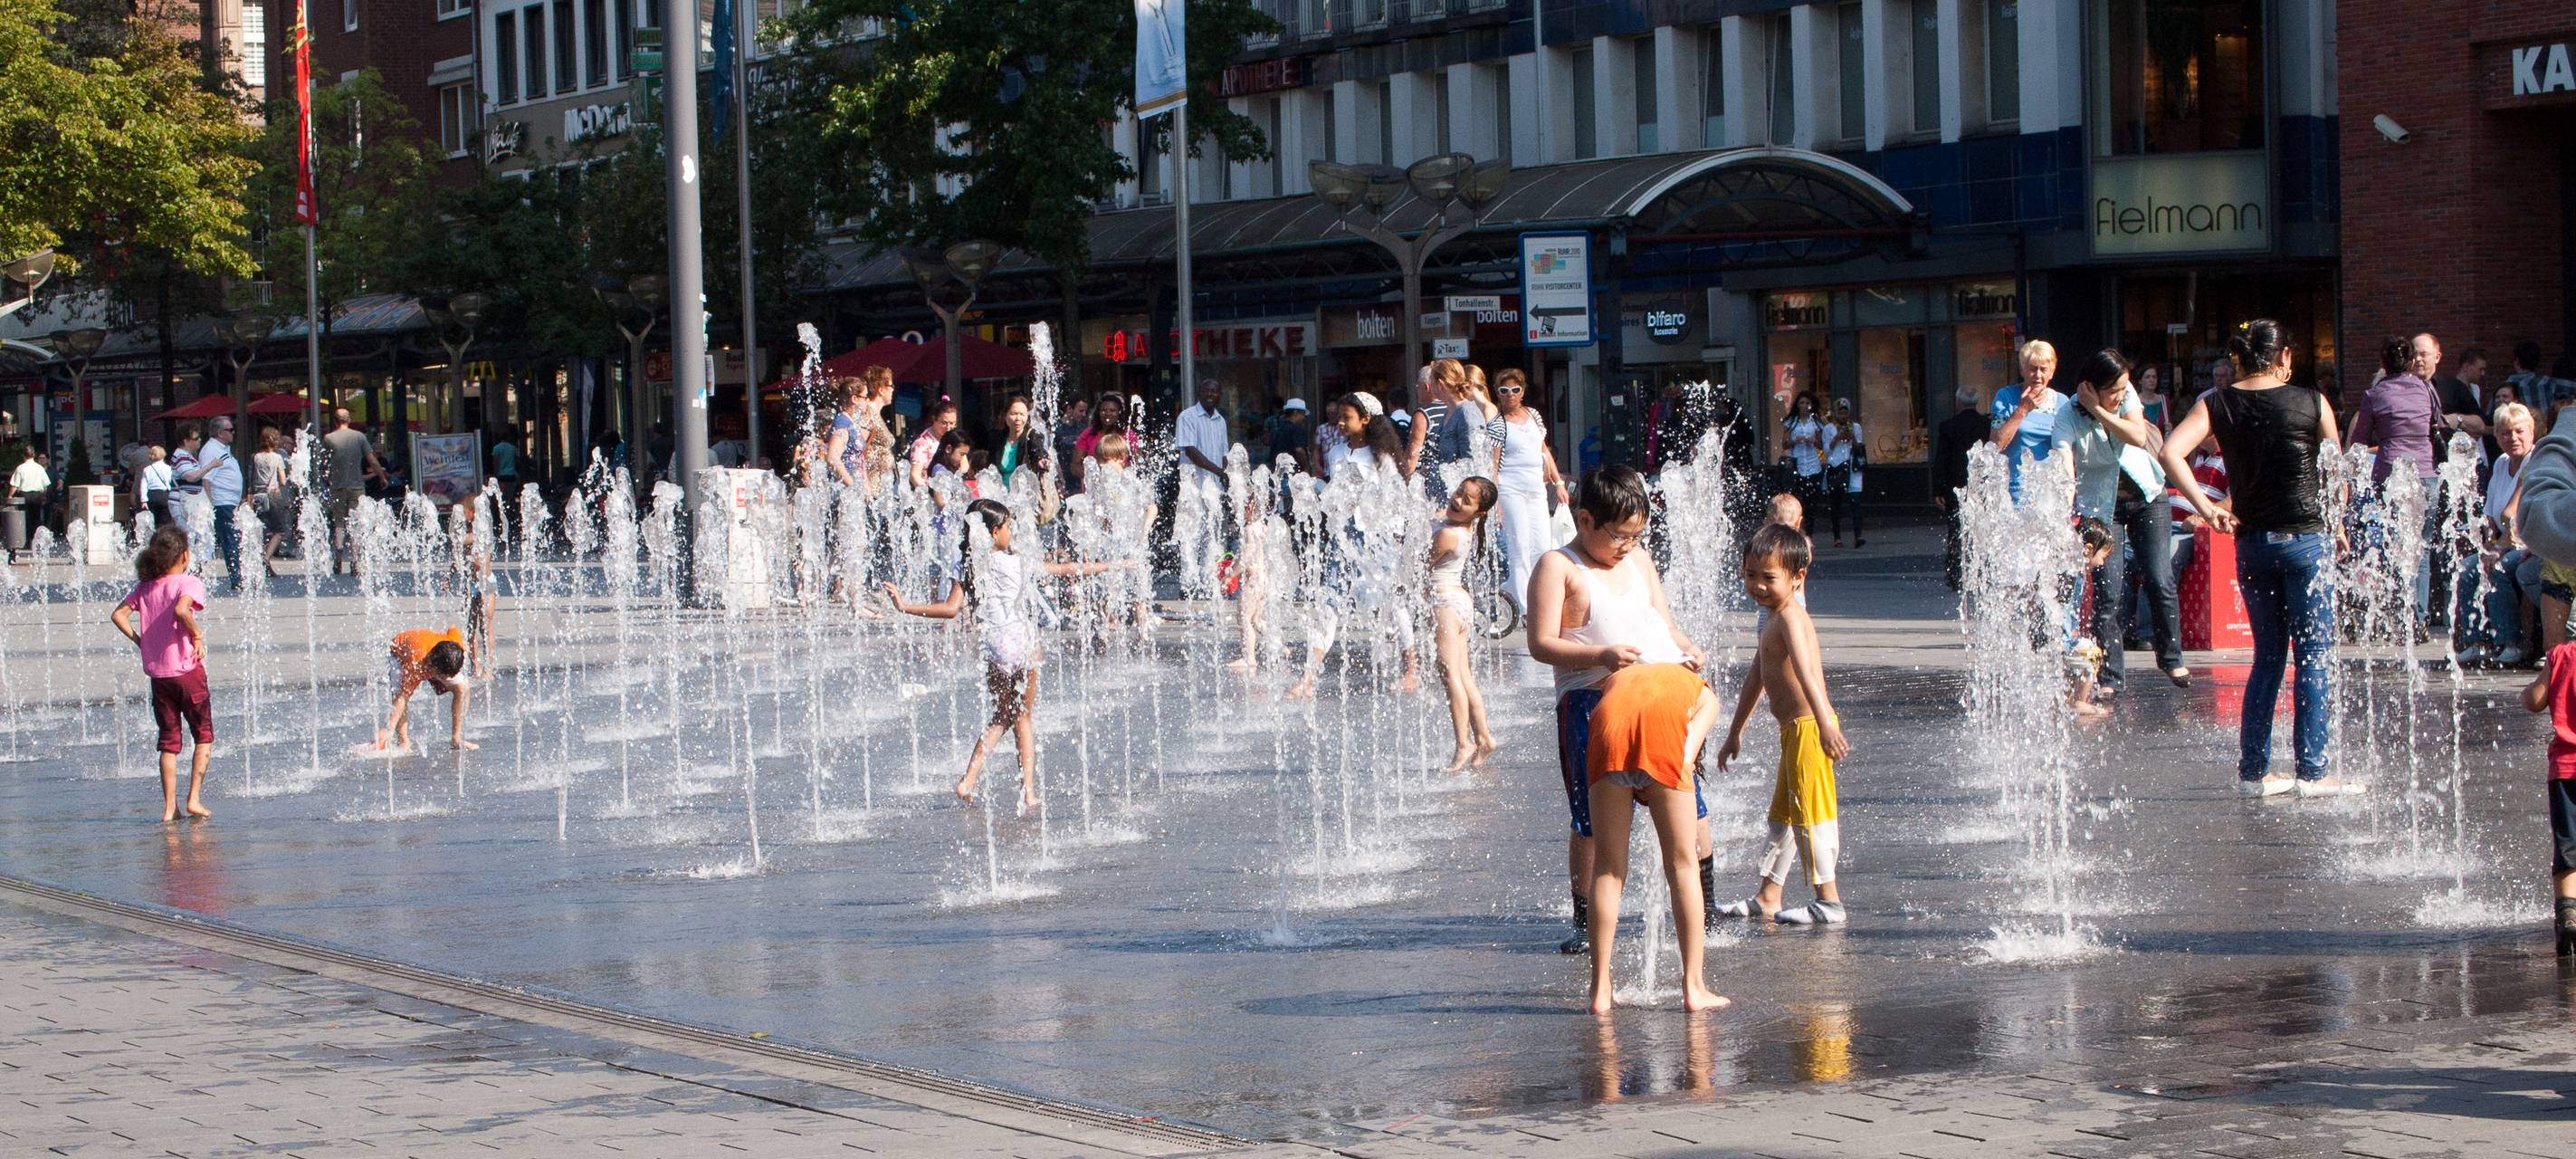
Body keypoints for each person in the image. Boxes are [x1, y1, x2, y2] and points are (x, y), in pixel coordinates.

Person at [2161, 319, 2360, 798]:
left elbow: (2170, 452)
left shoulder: (2217, 403)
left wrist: (2208, 508)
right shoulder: (2314, 401)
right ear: (2285, 358)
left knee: (2267, 657)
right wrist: (2336, 524)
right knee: (2312, 657)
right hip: (2306, 541)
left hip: (2252, 545)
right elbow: (2338, 477)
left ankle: (2255, 772)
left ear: (2240, 361)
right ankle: (2313, 772)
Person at [1526, 465, 1716, 954]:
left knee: (1687, 802)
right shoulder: (1560, 567)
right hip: (1591, 704)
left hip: (1657, 699)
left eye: (1637, 535)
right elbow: (1541, 644)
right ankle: (1584, 920)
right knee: (1590, 819)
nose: (1628, 546)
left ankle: (1706, 909)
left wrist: (1687, 648)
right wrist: (1601, 655)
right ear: (1585, 520)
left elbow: (1665, 626)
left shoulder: (1639, 561)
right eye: (1619, 536)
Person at [883, 499, 1134, 812]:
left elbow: (949, 610)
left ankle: (969, 780)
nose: (1011, 533)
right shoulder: (1017, 560)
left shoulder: (968, 565)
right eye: (1008, 527)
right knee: (1022, 717)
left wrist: (905, 606)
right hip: (1022, 643)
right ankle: (1027, 791)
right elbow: (1066, 569)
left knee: (1001, 714)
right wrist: (1114, 565)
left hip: (995, 646)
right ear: (993, 532)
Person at [1711, 522, 1852, 925]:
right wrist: (1736, 730)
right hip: (1792, 731)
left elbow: (1808, 673)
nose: (1757, 586)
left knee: (1810, 813)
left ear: (1797, 577)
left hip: (1809, 727)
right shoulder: (1771, 617)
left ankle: (1829, 900)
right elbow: (1757, 676)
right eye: (1750, 575)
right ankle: (1768, 895)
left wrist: (1825, 723)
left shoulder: (1791, 617)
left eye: (1768, 578)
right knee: (1785, 816)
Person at [1580, 639, 1729, 1014]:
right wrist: (1672, 776)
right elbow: (1687, 751)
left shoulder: (1620, 679)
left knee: (1608, 868)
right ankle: (1694, 988)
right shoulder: (1702, 690)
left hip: (1606, 731)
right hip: (1664, 737)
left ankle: (1600, 991)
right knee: (1682, 866)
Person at [2057, 348, 2187, 693]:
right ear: (2089, 386)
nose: (2120, 395)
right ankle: (2111, 676)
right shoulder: (2066, 415)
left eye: (2122, 389)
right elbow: (2063, 463)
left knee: (2159, 578)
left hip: (2148, 496)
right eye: (2111, 391)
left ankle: (2172, 659)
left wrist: (2098, 409)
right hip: (2104, 508)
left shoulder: (2124, 394)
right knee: (2108, 594)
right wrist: (2064, 503)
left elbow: (2138, 436)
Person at [111, 525, 214, 821]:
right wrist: (196, 635)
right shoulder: (188, 582)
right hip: (188, 672)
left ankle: (170, 808)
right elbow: (183, 611)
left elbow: (117, 614)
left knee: (169, 741)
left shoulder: (145, 587)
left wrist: (139, 640)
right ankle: (193, 798)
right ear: (184, 555)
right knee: (203, 735)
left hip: (159, 677)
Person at [2349, 335, 2445, 620]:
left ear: (2383, 363)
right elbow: (2435, 425)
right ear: (2412, 362)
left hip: (2391, 477)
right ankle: (2419, 617)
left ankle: (2401, 615)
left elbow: (2358, 443)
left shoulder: (2374, 395)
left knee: (2394, 546)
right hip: (2426, 475)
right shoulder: (2427, 389)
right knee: (2421, 548)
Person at [1428, 476, 1503, 772]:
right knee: (1464, 675)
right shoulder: (1462, 529)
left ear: (1479, 513)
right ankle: (1483, 736)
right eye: (1459, 492)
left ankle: (1463, 744)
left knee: (1450, 678)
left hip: (1445, 604)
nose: (1457, 500)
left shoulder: (1447, 534)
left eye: (1467, 500)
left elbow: (1418, 565)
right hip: (1460, 602)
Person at [2462, 403, 2541, 665]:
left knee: (2499, 569)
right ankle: (2477, 641)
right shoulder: (2501, 463)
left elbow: (2516, 522)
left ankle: (2511, 642)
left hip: (2531, 543)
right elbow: (2491, 520)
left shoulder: (2535, 461)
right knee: (2467, 568)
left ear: (2532, 432)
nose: (2513, 438)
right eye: (2505, 433)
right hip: (2505, 542)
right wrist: (2488, 546)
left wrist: (2497, 551)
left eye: (2519, 431)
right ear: (2496, 435)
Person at [2514, 642, 2576, 957]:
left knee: (2568, 848)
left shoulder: (2562, 656)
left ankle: (2567, 915)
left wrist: (2524, 694)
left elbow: (2535, 700)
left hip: (2566, 772)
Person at [1493, 368, 1569, 613]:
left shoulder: (1533, 415)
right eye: (1504, 391)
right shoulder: (1498, 424)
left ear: (1523, 392)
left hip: (1536, 487)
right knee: (1520, 544)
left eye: (1515, 390)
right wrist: (1495, 501)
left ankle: (1543, 598)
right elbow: (1493, 465)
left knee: (1542, 545)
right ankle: (1524, 606)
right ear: (1498, 394)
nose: (1510, 395)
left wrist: (1558, 483)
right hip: (1510, 488)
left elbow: (1544, 450)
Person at [1173, 378, 1232, 598]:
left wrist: (1227, 476)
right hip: (1193, 487)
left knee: (1212, 536)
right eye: (1206, 390)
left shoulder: (1220, 421)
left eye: (1214, 391)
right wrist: (1220, 472)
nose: (1210, 394)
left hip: (1213, 489)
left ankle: (1209, 582)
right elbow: (1190, 451)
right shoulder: (1187, 417)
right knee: (1190, 536)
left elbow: (1224, 454)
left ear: (1219, 395)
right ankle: (1188, 585)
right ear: (1199, 392)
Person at [1989, 340, 2067, 503]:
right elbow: (1995, 444)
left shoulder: (2062, 403)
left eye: (2043, 369)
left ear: (2052, 372)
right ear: (2022, 371)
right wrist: (2022, 410)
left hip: (2051, 492)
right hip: (2015, 492)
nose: (2038, 375)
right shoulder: (2006, 397)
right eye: (2032, 369)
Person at [375, 627, 475, 752]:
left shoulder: (454, 644)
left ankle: (456, 738)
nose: (446, 680)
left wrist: (464, 647)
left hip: (435, 655)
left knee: (462, 687)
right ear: (432, 668)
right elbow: (402, 697)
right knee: (400, 693)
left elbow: (453, 627)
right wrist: (388, 728)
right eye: (443, 677)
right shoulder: (415, 665)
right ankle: (403, 741)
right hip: (399, 654)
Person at [181, 417, 245, 589]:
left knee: (232, 539)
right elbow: (206, 481)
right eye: (230, 430)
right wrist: (210, 505)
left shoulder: (224, 449)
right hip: (221, 503)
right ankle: (236, 579)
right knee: (228, 540)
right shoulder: (211, 450)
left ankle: (236, 575)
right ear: (220, 433)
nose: (233, 433)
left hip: (230, 502)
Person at [2065, 519, 2119, 721]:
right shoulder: (2070, 573)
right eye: (2103, 557)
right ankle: (2078, 701)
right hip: (2061, 640)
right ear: (2088, 549)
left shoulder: (2074, 570)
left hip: (2065, 637)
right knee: (2091, 654)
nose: (2102, 563)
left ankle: (2067, 698)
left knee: (2081, 656)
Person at [1934, 388, 1988, 589]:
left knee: (1956, 531)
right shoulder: (1986, 424)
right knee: (1981, 530)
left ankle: (1956, 574)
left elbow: (1942, 459)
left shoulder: (1948, 426)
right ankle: (1981, 573)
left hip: (1955, 486)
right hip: (1980, 485)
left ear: (1958, 402)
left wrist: (1939, 489)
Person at [322, 408, 386, 573]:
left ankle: (338, 558)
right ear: (348, 420)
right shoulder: (359, 437)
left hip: (337, 487)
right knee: (356, 522)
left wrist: (327, 478)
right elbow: (372, 460)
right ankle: (356, 561)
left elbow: (323, 463)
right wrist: (381, 476)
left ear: (335, 421)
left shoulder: (328, 438)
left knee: (339, 523)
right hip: (357, 487)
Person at [1823, 398, 1865, 548]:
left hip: (1853, 468)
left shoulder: (1856, 427)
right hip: (1836, 467)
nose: (1843, 416)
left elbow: (1859, 447)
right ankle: (1837, 536)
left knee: (1856, 502)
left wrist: (1852, 437)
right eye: (1840, 413)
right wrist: (1838, 437)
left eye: (1845, 413)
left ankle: (1858, 535)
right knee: (1836, 503)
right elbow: (1827, 451)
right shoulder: (1829, 429)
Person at [1780, 392, 1826, 527]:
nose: (1805, 406)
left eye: (1807, 403)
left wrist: (1812, 441)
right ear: (1797, 405)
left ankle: (1809, 534)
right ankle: (1797, 531)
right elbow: (1784, 444)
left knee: (1811, 503)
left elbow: (1821, 444)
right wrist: (1795, 440)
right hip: (1797, 465)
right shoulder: (1792, 422)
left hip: (1813, 465)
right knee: (1798, 502)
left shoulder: (1815, 422)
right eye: (1802, 403)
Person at [251, 427, 291, 575]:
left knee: (260, 529)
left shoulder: (255, 456)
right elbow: (283, 480)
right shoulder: (277, 457)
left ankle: (260, 556)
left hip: (258, 495)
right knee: (279, 530)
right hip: (273, 495)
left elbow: (251, 477)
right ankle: (266, 558)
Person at [5, 445, 50, 562]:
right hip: (37, 497)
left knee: (22, 521)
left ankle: (20, 545)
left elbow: (14, 485)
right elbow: (45, 486)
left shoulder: (20, 468)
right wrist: (44, 497)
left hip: (24, 496)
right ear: (33, 455)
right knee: (36, 520)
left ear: (24, 456)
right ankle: (35, 544)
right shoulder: (40, 468)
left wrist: (10, 497)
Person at [1073, 392, 1127, 486]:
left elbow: (1136, 465)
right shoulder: (1088, 434)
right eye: (1103, 410)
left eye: (1112, 410)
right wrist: (1092, 478)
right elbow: (1075, 465)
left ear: (1119, 412)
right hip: (1095, 491)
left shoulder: (1128, 435)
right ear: (1098, 413)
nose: (1108, 413)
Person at [908, 398, 959, 490]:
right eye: (944, 423)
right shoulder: (922, 444)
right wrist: (931, 494)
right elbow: (914, 475)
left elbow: (964, 465)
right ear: (934, 419)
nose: (948, 428)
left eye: (952, 423)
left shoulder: (954, 439)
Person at [1266, 398, 1312, 474]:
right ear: (1295, 413)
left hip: (1276, 474)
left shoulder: (1277, 430)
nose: (1304, 418)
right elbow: (1299, 450)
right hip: (1293, 474)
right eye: (1303, 414)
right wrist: (1305, 468)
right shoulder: (1297, 429)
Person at [138, 445, 174, 529]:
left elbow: (143, 485)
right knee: (166, 520)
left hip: (152, 495)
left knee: (154, 522)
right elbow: (170, 481)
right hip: (164, 494)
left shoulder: (147, 469)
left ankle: (155, 537)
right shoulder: (168, 468)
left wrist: (144, 500)